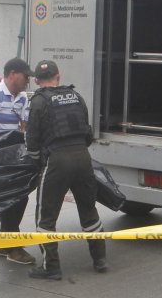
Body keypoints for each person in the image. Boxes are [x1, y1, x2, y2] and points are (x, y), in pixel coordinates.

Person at [25, 59, 107, 279]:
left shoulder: (39, 101)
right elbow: (87, 132)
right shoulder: (77, 97)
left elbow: (32, 139)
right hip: (83, 157)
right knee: (89, 210)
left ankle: (51, 267)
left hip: (57, 160)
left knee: (46, 217)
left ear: (36, 80)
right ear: (58, 77)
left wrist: (36, 162)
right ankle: (100, 259)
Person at [0, 57, 36, 265]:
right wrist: (2, 149)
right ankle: (12, 247)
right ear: (12, 74)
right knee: (15, 198)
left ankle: (4, 243)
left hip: (14, 156)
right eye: (25, 75)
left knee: (17, 197)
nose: (27, 80)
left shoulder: (21, 97)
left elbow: (23, 126)